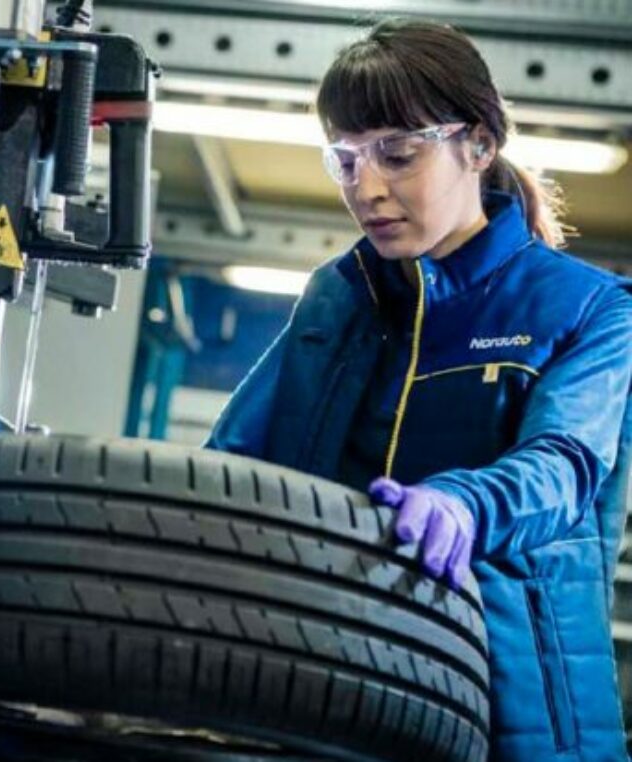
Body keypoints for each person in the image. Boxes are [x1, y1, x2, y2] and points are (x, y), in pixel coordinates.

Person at [206, 19, 632, 761]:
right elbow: (229, 467)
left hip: (517, 711)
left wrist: (464, 506)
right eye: (344, 161)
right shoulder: (338, 298)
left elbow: (565, 466)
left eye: (397, 155)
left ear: (479, 144)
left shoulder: (590, 308)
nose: (366, 189)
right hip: (330, 690)